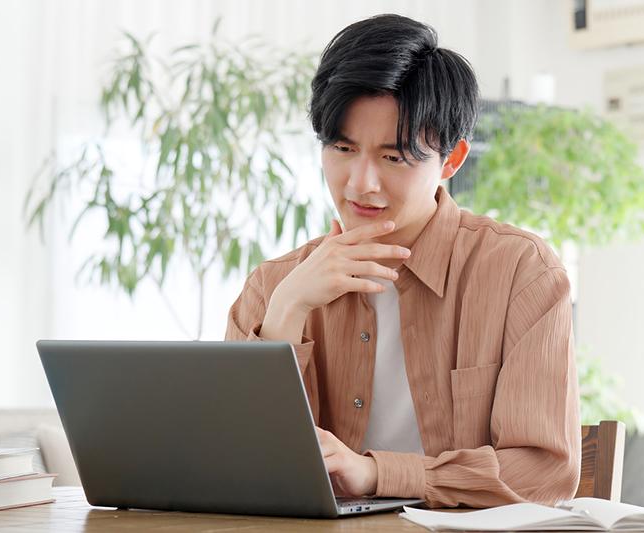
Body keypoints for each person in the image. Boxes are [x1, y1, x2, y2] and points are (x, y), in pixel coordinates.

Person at [225, 13, 580, 509]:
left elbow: (543, 473)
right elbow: (234, 468)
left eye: (394, 158)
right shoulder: (274, 286)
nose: (360, 184)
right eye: (343, 148)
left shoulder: (521, 273)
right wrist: (287, 313)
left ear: (451, 161)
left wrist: (377, 473)